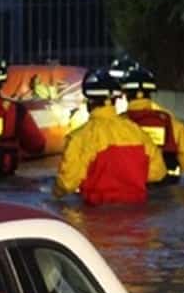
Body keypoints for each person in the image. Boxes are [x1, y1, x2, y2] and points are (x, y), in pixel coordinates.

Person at [55, 68, 165, 206]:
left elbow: (67, 184)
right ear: (115, 100)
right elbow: (158, 173)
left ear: (89, 102)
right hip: (138, 217)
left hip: (95, 216)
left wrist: (54, 194)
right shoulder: (137, 132)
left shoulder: (79, 138)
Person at [119, 66, 184, 184]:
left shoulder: (117, 124)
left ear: (125, 94)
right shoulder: (173, 123)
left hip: (130, 186)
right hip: (167, 186)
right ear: (151, 93)